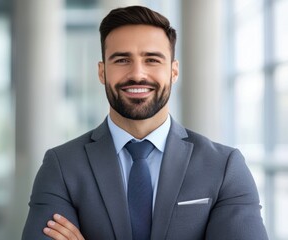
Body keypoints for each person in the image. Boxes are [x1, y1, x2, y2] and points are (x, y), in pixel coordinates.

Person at [22, 5, 268, 240]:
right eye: (121, 60)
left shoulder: (224, 167)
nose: (137, 74)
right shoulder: (62, 167)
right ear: (101, 71)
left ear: (173, 71)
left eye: (152, 60)